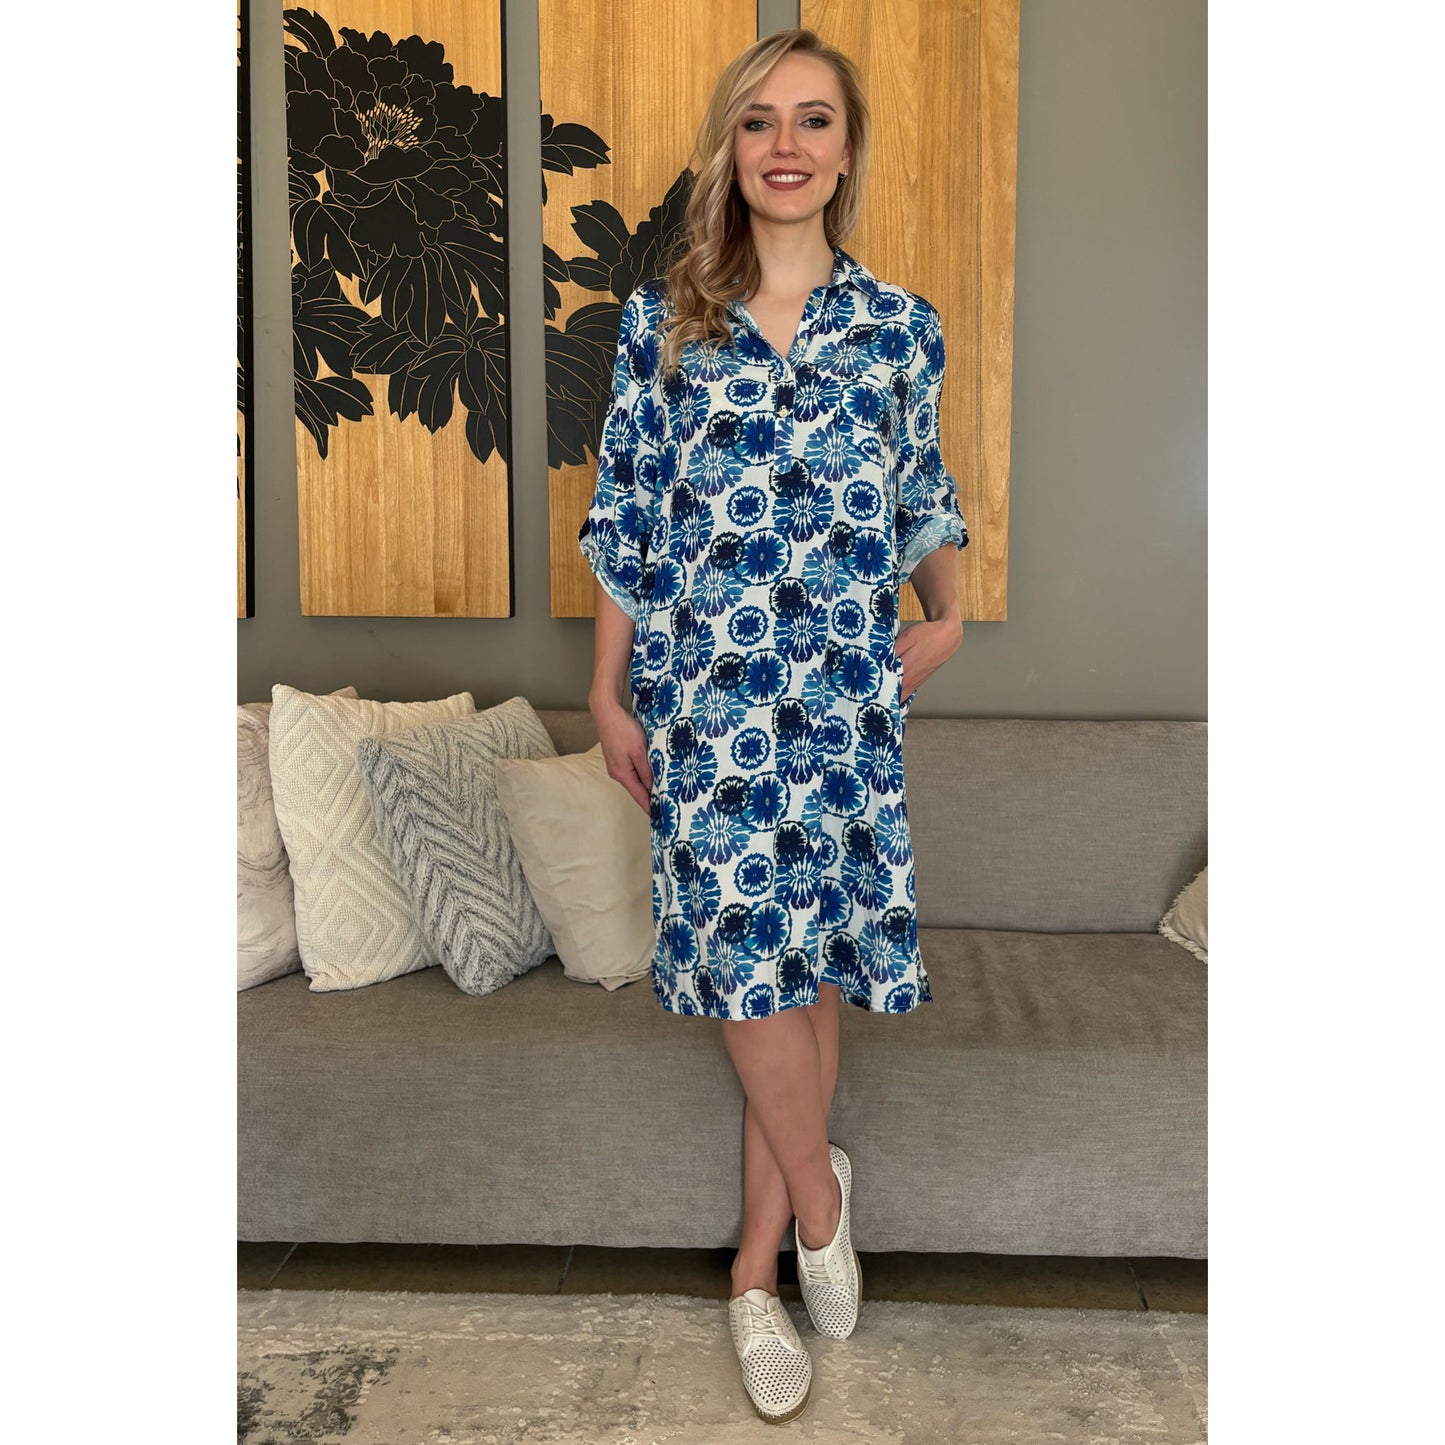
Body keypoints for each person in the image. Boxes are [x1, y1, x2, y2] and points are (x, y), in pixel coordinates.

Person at [578, 27, 968, 1426]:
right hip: (708, 705)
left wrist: (952, 614)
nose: (786, 145)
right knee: (749, 978)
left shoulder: (900, 328)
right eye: (759, 122)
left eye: (812, 120)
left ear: (846, 150)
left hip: (844, 702)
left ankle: (752, 1278)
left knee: (804, 981)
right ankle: (820, 1207)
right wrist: (607, 690)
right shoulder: (662, 327)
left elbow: (921, 490)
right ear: (731, 149)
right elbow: (627, 519)